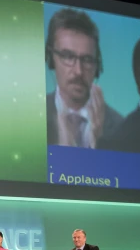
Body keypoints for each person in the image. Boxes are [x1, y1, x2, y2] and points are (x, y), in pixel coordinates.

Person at [45, 8, 122, 148]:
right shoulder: (31, 118)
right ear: (51, 59)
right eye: (68, 57)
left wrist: (99, 142)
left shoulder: (120, 127)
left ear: (97, 67)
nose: (79, 71)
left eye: (87, 60)